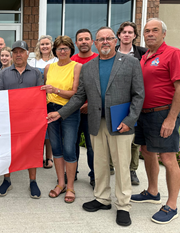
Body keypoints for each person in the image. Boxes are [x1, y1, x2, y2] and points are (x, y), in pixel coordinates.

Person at [47, 26, 144, 226]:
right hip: (96, 122)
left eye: (109, 38)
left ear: (115, 40)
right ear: (95, 43)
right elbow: (79, 96)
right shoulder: (89, 67)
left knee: (121, 166)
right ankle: (102, 198)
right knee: (99, 164)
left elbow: (138, 95)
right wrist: (60, 113)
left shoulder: (131, 63)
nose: (105, 42)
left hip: (120, 123)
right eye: (101, 39)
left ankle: (123, 205)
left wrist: (129, 120)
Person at [131, 18, 180, 225]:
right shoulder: (145, 56)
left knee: (168, 157)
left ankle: (171, 205)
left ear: (164, 33)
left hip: (162, 114)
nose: (150, 34)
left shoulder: (173, 54)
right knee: (146, 151)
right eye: (147, 31)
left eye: (155, 30)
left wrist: (171, 119)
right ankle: (152, 191)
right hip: (143, 114)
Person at [0, 40, 44, 199]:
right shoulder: (3, 73)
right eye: (15, 52)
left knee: (32, 149)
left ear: (27, 54)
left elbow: (40, 98)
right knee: (6, 149)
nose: (18, 55)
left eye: (21, 51)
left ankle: (33, 181)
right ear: (12, 54)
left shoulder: (37, 73)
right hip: (9, 119)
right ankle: (7, 180)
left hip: (30, 120)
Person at [41, 35, 81, 202]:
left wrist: (56, 90)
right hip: (50, 110)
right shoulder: (48, 68)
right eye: (59, 48)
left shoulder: (77, 66)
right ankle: (61, 183)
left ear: (71, 49)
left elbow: (76, 93)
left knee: (69, 149)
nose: (62, 51)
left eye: (65, 48)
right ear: (55, 51)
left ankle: (70, 186)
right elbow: (43, 91)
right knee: (56, 148)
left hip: (69, 110)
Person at [113, 21, 148, 185]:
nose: (127, 35)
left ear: (134, 36)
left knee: (132, 139)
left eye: (130, 32)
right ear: (119, 35)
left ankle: (132, 170)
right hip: (116, 101)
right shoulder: (111, 53)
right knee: (114, 134)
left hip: (134, 101)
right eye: (124, 32)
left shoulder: (143, 54)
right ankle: (112, 165)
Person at [70, 29, 98, 189]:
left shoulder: (98, 60)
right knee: (71, 144)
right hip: (73, 111)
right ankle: (72, 174)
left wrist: (90, 104)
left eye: (87, 39)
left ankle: (94, 175)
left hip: (92, 111)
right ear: (76, 43)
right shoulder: (72, 61)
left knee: (92, 146)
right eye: (80, 39)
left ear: (92, 41)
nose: (84, 42)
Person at [28, 35, 58, 169]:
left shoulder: (57, 60)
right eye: (42, 44)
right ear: (38, 47)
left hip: (52, 99)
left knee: (49, 128)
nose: (44, 46)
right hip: (36, 100)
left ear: (51, 46)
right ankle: (37, 156)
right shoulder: (33, 62)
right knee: (38, 129)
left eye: (47, 44)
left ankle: (49, 157)